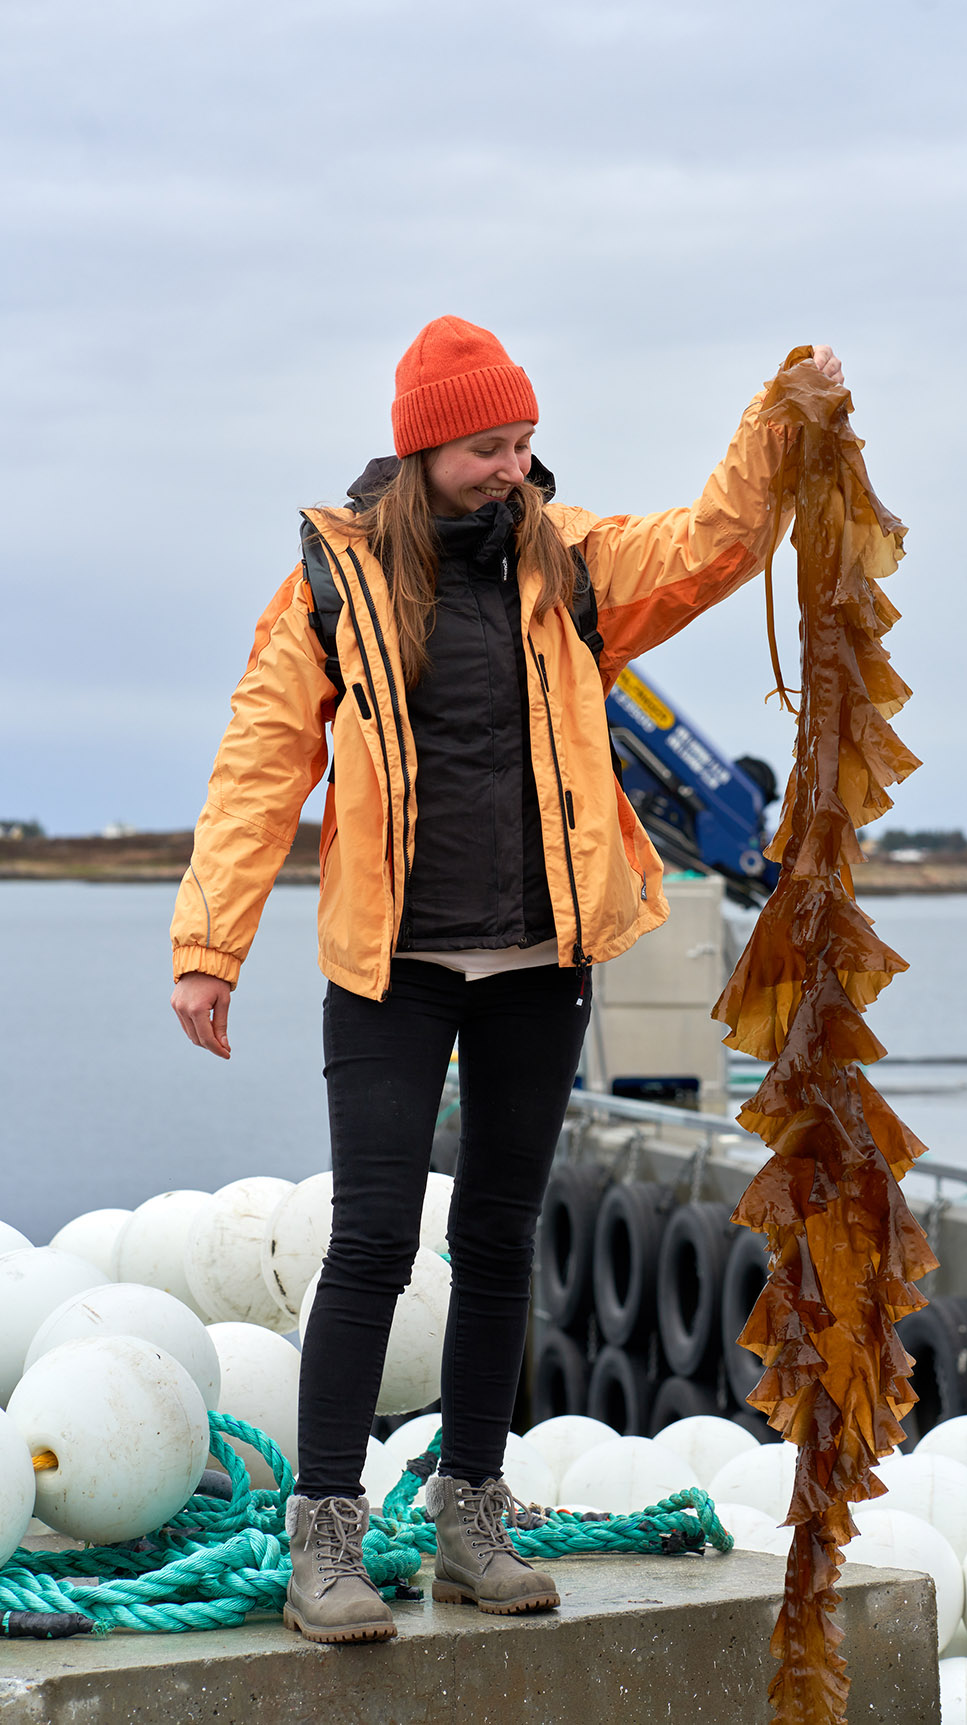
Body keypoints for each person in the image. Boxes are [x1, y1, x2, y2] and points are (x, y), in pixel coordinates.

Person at [170, 315, 843, 1644]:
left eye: (525, 442)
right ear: (423, 448)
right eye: (489, 446)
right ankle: (327, 1542)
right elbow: (259, 765)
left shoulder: (571, 562)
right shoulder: (331, 580)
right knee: (367, 1243)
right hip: (391, 970)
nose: (514, 467)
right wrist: (209, 949)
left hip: (542, 964)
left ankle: (473, 1517)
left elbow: (715, 541)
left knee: (493, 1239)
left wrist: (781, 421)